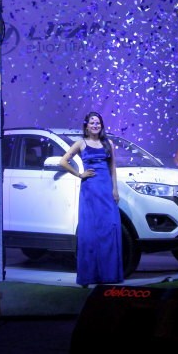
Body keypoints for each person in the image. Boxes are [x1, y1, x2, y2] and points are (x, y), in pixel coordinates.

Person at [59, 111, 123, 287]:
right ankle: (89, 276)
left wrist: (115, 189)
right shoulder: (81, 143)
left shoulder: (108, 143)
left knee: (110, 228)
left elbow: (113, 168)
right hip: (90, 190)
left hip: (106, 189)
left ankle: (109, 275)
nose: (95, 125)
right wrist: (79, 174)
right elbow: (63, 161)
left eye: (98, 123)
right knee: (91, 232)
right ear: (86, 126)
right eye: (92, 122)